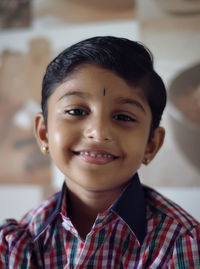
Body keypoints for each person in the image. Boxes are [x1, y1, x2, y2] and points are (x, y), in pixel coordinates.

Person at [0, 36, 199, 268]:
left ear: (151, 144)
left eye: (123, 116)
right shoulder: (16, 246)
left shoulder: (182, 244)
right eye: (76, 111)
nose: (98, 132)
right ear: (43, 133)